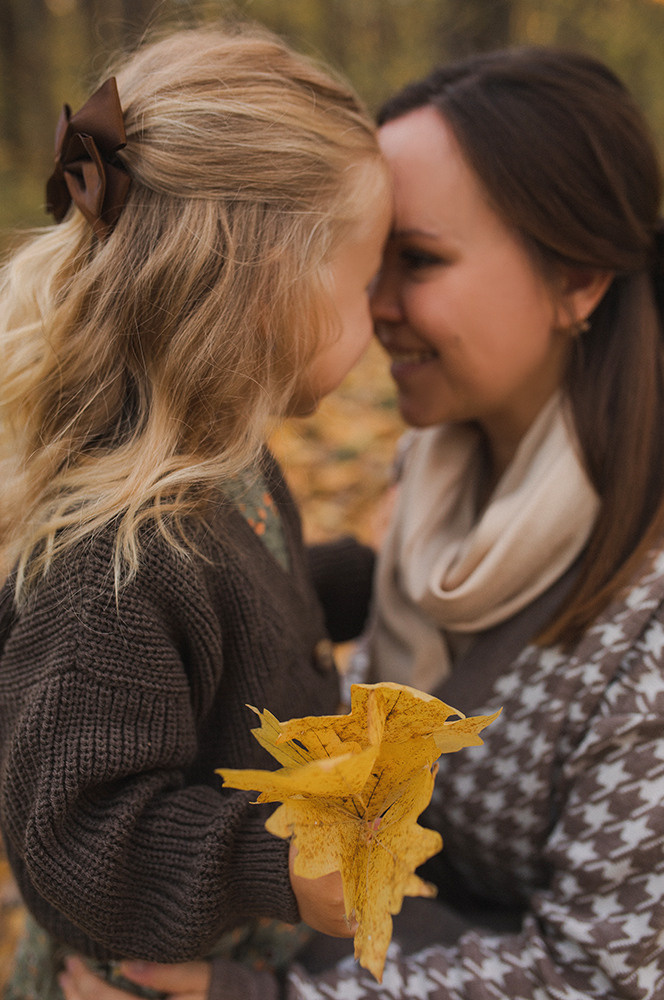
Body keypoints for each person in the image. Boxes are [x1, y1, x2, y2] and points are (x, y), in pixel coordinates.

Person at [62, 45, 664, 1000]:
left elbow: (607, 975)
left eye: (416, 260)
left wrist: (264, 999)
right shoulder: (435, 477)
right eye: (370, 258)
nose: (371, 305)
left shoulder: (650, 615)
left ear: (579, 280)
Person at [0, 23, 392, 1000]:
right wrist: (278, 861)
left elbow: (247, 609)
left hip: (232, 956)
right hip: (144, 978)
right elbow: (79, 844)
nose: (381, 312)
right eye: (364, 279)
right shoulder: (113, 562)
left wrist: (373, 577)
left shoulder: (217, 462)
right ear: (272, 292)